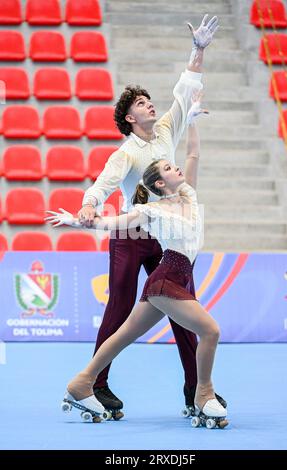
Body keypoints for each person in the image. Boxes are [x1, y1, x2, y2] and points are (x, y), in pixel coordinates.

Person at [45, 95, 228, 429]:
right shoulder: (140, 187)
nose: (175, 168)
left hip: (165, 264)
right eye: (141, 103)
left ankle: (86, 381)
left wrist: (197, 61)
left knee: (134, 330)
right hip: (153, 261)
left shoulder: (187, 193)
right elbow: (107, 205)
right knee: (191, 326)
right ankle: (199, 390)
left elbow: (192, 153)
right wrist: (82, 213)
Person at [72, 14, 220, 417]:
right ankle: (96, 384)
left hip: (163, 236)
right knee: (119, 309)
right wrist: (90, 204)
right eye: (140, 104)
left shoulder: (167, 129)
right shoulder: (127, 152)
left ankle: (197, 390)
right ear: (130, 119)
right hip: (129, 234)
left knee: (183, 309)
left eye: (147, 99)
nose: (149, 104)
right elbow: (104, 183)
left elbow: (185, 91)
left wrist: (198, 51)